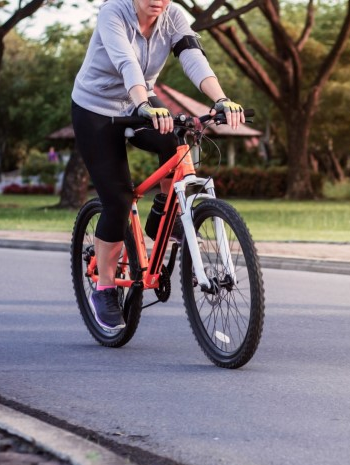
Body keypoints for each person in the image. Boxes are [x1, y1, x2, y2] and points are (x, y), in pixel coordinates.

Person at [71, 0, 245, 331]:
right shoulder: (113, 12)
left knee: (177, 139)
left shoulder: (173, 16)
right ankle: (105, 287)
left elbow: (193, 56)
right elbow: (127, 63)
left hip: (141, 104)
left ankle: (166, 214)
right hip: (96, 110)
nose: (159, 1)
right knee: (118, 200)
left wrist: (220, 99)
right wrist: (143, 103)